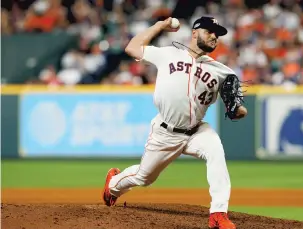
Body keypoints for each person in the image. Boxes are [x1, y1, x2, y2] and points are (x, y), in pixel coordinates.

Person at [102, 16, 248, 229]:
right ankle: (113, 185)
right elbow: (132, 48)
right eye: (210, 31)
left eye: (218, 34)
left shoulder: (223, 72)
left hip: (197, 131)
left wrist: (237, 110)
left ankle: (218, 213)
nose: (215, 36)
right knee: (144, 177)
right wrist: (160, 25)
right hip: (166, 132)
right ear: (195, 33)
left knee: (215, 149)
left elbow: (238, 110)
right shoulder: (169, 54)